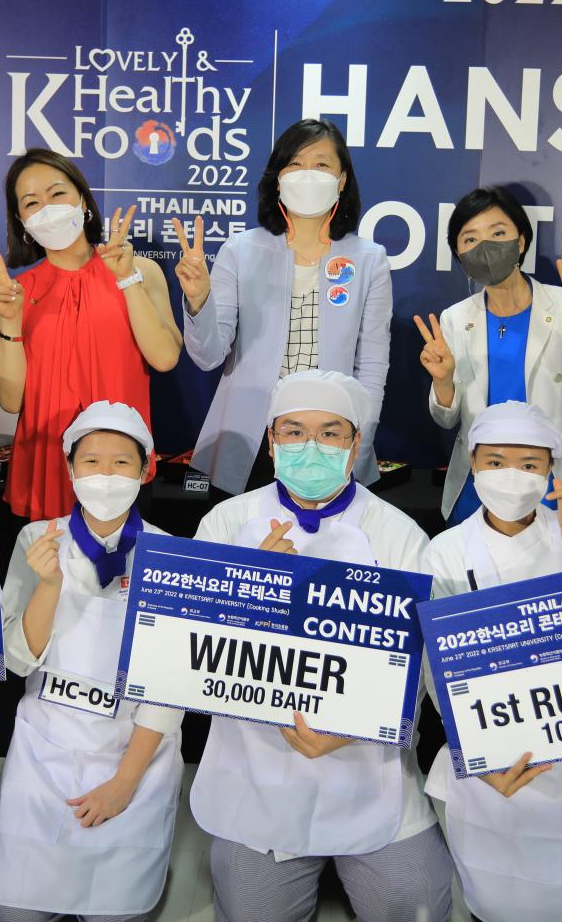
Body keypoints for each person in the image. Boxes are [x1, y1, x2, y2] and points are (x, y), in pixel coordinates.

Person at [190, 370, 452, 922]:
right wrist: (248, 589)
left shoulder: (399, 534)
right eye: (293, 431)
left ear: (355, 446)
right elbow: (190, 648)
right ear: (271, 441)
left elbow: (423, 659)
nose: (311, 446)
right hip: (256, 764)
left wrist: (354, 725)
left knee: (415, 903)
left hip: (368, 764)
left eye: (330, 433)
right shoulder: (226, 523)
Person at [423, 401, 562, 922]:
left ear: (550, 471)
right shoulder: (445, 551)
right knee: (496, 900)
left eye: (529, 463)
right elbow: (436, 667)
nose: (511, 475)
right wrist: (481, 753)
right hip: (492, 760)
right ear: (473, 464)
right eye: (495, 462)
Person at [0, 401, 184, 922]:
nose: (105, 475)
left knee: (116, 913)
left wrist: (124, 784)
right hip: (45, 748)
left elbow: (170, 686)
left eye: (121, 462)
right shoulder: (37, 539)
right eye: (91, 461)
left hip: (134, 751)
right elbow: (17, 661)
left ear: (146, 469)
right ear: (70, 467)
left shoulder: (170, 553)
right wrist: (49, 585)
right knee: (18, 912)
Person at [176, 118, 392, 496]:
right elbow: (208, 356)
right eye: (295, 163)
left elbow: (372, 368)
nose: (308, 174)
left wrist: (359, 443)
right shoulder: (240, 251)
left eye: (321, 164)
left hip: (331, 439)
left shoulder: (369, 259)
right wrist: (198, 301)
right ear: (278, 178)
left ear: (342, 180)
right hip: (252, 440)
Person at [0, 148, 181, 521]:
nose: (48, 209)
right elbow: (10, 401)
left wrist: (127, 280)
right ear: (21, 220)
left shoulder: (140, 270)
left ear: (82, 199)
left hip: (120, 466)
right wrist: (10, 321)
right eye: (32, 203)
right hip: (45, 467)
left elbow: (165, 358)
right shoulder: (15, 293)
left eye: (57, 194)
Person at [416, 185, 562, 522]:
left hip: (558, 476)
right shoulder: (454, 318)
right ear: (459, 254)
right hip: (482, 477)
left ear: (520, 241)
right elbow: (446, 419)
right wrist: (443, 381)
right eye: (470, 239)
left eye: (498, 233)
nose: (485, 246)